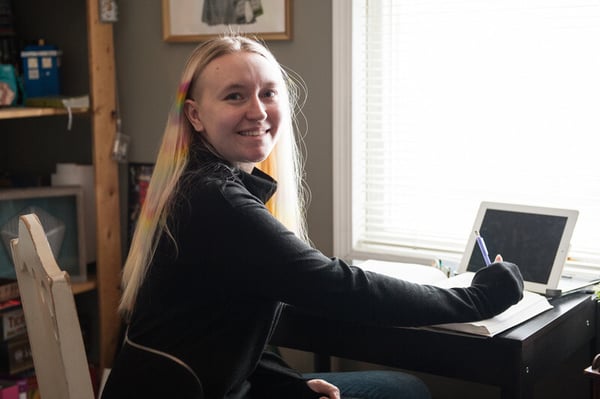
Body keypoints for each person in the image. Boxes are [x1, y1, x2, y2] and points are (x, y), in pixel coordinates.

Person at [100, 34, 524, 399]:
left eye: (268, 93)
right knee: (405, 390)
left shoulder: (194, 184)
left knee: (398, 388)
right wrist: (478, 298)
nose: (258, 110)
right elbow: (339, 287)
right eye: (235, 95)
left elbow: (212, 331)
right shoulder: (214, 198)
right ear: (195, 114)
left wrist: (284, 386)